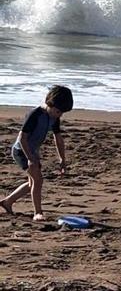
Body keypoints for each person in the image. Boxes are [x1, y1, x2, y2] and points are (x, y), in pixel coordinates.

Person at [1, 85, 73, 221]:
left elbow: (58, 138)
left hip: (33, 152)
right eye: (58, 111)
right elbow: (22, 138)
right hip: (21, 151)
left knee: (31, 184)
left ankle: (7, 202)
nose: (59, 115)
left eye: (62, 113)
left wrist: (62, 159)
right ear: (49, 103)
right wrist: (30, 158)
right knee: (38, 180)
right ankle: (38, 213)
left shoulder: (54, 117)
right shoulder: (35, 114)